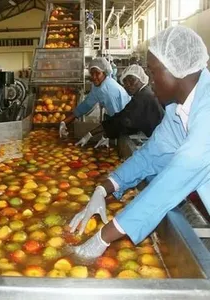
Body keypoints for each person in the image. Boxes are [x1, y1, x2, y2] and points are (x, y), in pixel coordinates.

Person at [69, 25, 210, 259]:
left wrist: (104, 236)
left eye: (153, 72)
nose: (150, 81)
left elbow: (170, 183)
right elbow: (151, 154)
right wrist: (104, 187)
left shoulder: (207, 113)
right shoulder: (180, 109)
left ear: (175, 70)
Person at [87, 64, 164, 148]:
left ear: (141, 79)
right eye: (125, 83)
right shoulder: (143, 93)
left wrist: (93, 134)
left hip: (160, 140)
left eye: (132, 81)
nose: (129, 86)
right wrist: (95, 133)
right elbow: (123, 115)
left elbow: (124, 120)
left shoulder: (143, 97)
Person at [59, 57, 130, 139]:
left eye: (97, 73)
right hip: (118, 120)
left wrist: (105, 136)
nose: (94, 77)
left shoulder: (108, 90)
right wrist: (64, 122)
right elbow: (86, 105)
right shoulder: (98, 86)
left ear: (104, 73)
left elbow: (116, 119)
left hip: (127, 123)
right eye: (92, 73)